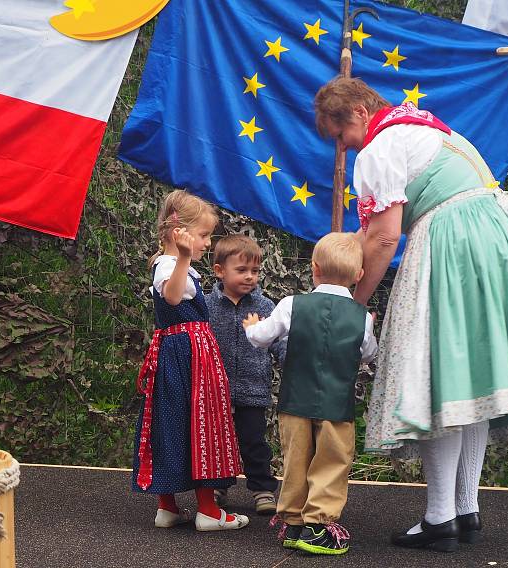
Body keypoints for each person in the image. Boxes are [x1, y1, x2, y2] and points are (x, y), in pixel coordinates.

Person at [314, 77, 508, 552]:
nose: (344, 148)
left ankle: (440, 517)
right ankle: (464, 508)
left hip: (458, 241)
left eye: (339, 136)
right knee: (469, 378)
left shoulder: (381, 146)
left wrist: (355, 304)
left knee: (435, 378)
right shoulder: (432, 130)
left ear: (357, 112)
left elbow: (382, 237)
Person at [243, 232, 377, 556]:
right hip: (336, 404)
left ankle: (292, 521)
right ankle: (319, 525)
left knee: (296, 459)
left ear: (314, 269)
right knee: (331, 462)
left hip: (295, 401)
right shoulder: (361, 317)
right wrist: (365, 328)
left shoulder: (292, 305)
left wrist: (251, 327)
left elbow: (262, 338)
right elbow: (369, 353)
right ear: (359, 276)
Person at [132, 190, 249, 532]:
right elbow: (171, 296)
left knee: (173, 419)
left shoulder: (172, 265)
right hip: (188, 354)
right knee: (201, 420)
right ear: (176, 231)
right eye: (202, 235)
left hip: (183, 352)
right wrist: (183, 257)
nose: (206, 242)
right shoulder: (169, 265)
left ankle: (168, 507)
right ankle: (208, 510)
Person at [206, 234, 282, 515]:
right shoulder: (205, 306)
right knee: (217, 443)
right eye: (241, 270)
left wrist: (294, 360)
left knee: (254, 442)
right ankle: (217, 486)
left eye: (255, 271)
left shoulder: (265, 308)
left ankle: (262, 489)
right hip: (215, 390)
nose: (250, 277)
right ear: (219, 271)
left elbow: (278, 344)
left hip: (253, 389)